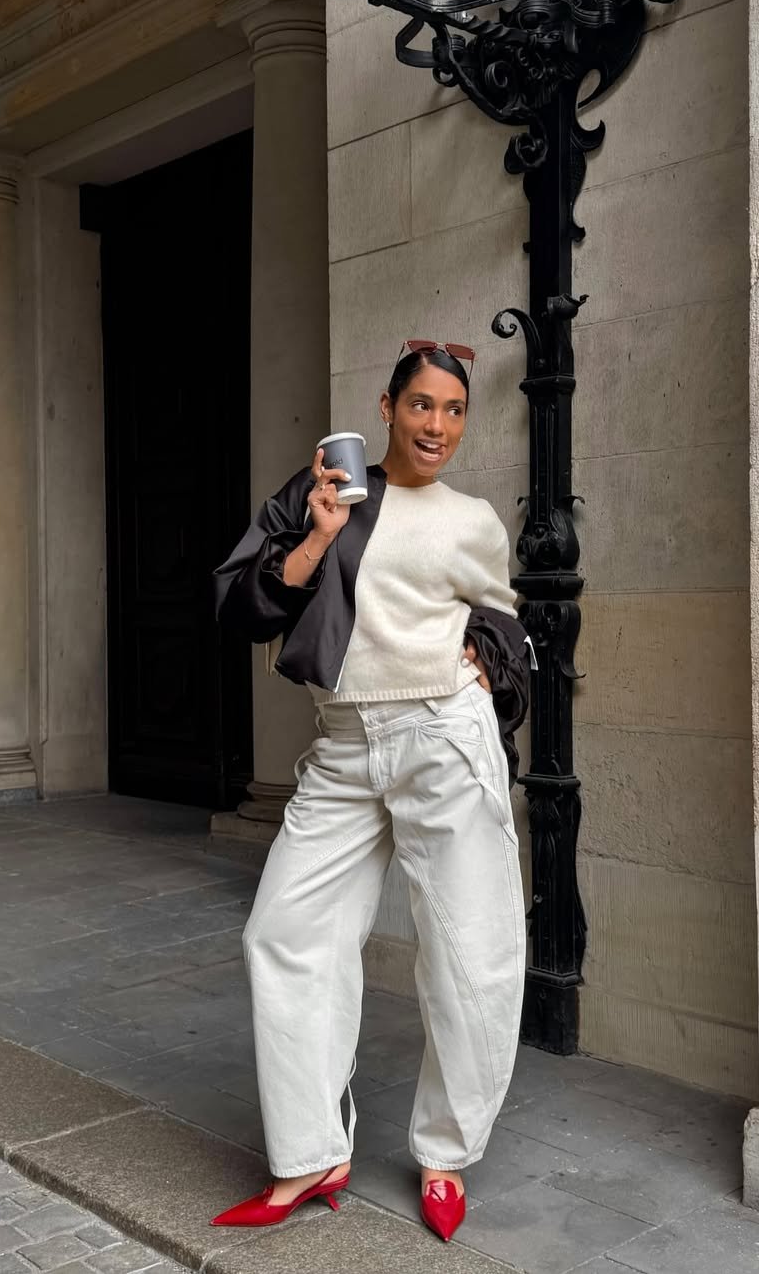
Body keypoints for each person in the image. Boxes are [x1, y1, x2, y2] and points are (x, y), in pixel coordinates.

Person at [210, 339, 533, 1242]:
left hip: (441, 737)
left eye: (454, 410)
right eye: (421, 404)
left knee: (471, 955)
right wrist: (317, 532)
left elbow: (508, 627)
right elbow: (242, 608)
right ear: (386, 406)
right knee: (284, 932)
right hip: (345, 745)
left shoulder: (473, 520)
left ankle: (444, 1152)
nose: (437, 424)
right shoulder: (321, 492)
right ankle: (312, 1153)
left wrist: (487, 661)